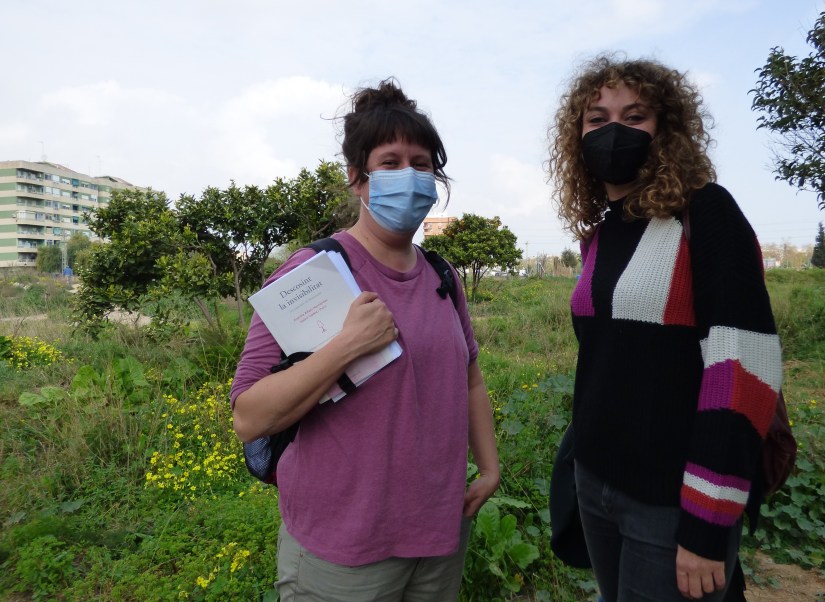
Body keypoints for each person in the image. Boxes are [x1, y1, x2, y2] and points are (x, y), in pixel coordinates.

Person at [230, 78, 500, 602]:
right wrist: (346, 346)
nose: (411, 176)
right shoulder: (314, 272)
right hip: (344, 548)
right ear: (358, 179)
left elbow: (469, 379)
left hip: (439, 532)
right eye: (391, 162)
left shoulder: (442, 275)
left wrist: (489, 468)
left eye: (422, 164)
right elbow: (249, 417)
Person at [545, 55, 783, 602]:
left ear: (665, 130)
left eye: (635, 117)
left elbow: (744, 370)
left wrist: (706, 525)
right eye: (596, 118)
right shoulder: (602, 232)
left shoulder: (706, 214)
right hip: (596, 484)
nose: (612, 132)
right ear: (577, 136)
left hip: (672, 503)